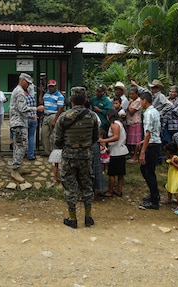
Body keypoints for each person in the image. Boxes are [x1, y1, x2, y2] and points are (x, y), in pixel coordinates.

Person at [54, 86, 99, 229]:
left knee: (70, 187)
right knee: (87, 186)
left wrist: (68, 146)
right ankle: (88, 217)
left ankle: (72, 218)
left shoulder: (64, 117)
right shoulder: (92, 116)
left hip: (69, 157)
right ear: (85, 100)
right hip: (85, 156)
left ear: (71, 100)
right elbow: (96, 137)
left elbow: (57, 139)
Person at [9, 73, 44, 183]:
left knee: (17, 146)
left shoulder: (18, 90)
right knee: (21, 147)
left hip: (19, 121)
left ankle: (18, 167)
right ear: (22, 80)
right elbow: (22, 108)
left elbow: (17, 110)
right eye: (27, 83)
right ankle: (15, 170)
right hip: (19, 124)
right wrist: (37, 109)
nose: (28, 86)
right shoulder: (20, 92)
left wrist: (29, 116)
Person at [138, 92, 162, 210]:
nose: (140, 103)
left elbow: (148, 133)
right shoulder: (155, 111)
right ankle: (154, 194)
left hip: (151, 146)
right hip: (155, 143)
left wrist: (143, 151)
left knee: (148, 172)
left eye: (140, 101)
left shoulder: (148, 113)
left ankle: (154, 201)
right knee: (147, 170)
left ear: (144, 101)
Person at [99, 108, 129, 198]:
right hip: (120, 150)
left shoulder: (114, 124)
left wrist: (103, 140)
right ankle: (119, 190)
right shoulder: (119, 123)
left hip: (117, 152)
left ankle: (110, 190)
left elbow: (116, 137)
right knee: (120, 173)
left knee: (112, 173)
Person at [39, 79, 65, 156]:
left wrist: (55, 119)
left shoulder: (59, 96)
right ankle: (47, 152)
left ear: (55, 87)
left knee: (54, 135)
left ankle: (55, 152)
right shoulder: (46, 94)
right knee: (44, 134)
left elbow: (60, 108)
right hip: (46, 115)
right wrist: (41, 92)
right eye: (49, 87)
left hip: (54, 115)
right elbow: (41, 102)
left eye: (52, 87)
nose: (51, 88)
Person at [163, 142, 178, 209]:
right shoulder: (170, 158)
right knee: (169, 187)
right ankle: (169, 200)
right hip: (171, 175)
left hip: (175, 175)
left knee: (175, 189)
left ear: (168, 151)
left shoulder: (175, 158)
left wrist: (173, 162)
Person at [126, 87, 142, 163]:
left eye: (133, 94)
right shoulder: (133, 100)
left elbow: (131, 111)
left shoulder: (138, 101)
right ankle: (133, 155)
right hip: (130, 122)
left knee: (136, 141)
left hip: (136, 123)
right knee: (132, 141)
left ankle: (135, 156)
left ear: (137, 94)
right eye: (130, 94)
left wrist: (129, 105)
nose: (131, 95)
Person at [26, 83, 38, 160]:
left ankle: (22, 153)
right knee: (31, 137)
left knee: (23, 137)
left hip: (26, 118)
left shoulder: (23, 98)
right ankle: (31, 155)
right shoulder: (32, 97)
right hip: (34, 118)